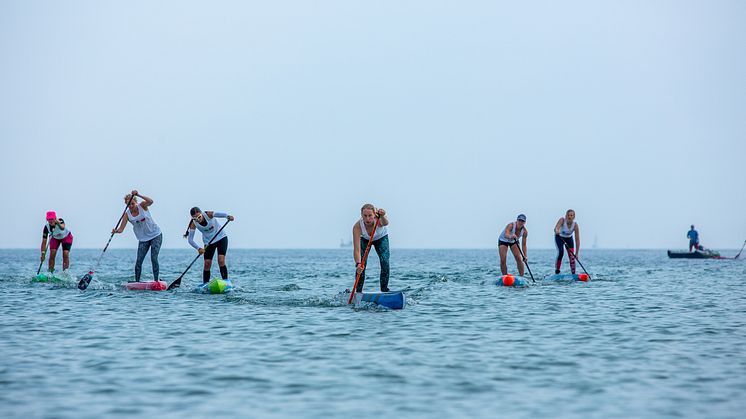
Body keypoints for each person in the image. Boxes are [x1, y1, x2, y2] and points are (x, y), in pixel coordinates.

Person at [112, 190, 162, 282]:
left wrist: (138, 195)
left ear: (136, 202)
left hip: (155, 235)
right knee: (138, 262)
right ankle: (137, 282)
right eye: (128, 204)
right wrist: (116, 231)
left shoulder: (142, 205)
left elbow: (151, 201)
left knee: (154, 258)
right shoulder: (127, 214)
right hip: (143, 239)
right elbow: (121, 229)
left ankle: (156, 281)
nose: (131, 206)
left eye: (132, 204)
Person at [184, 207, 234, 283]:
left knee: (221, 260)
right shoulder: (193, 224)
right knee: (207, 264)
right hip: (208, 242)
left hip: (221, 238)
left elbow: (218, 214)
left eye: (199, 217)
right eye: (195, 219)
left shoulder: (208, 214)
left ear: (201, 214)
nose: (198, 220)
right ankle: (205, 283)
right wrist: (198, 248)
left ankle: (226, 281)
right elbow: (190, 240)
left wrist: (227, 216)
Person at [352, 204, 390, 292]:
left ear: (374, 215)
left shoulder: (379, 220)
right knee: (361, 266)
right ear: (361, 215)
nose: (367, 219)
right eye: (365, 216)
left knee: (385, 261)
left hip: (381, 238)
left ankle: (384, 290)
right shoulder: (357, 227)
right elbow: (356, 249)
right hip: (365, 240)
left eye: (370, 216)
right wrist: (358, 264)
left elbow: (386, 223)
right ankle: (358, 292)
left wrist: (383, 215)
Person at [554, 209, 581, 274]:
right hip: (559, 237)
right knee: (561, 252)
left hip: (569, 239)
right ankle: (557, 270)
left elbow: (577, 240)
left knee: (572, 256)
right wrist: (557, 230)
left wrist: (577, 253)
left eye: (571, 215)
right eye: (568, 215)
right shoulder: (562, 220)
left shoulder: (575, 225)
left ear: (574, 217)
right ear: (566, 216)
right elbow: (556, 228)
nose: (569, 217)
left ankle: (573, 273)